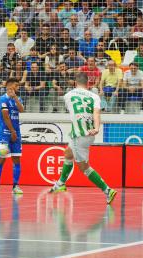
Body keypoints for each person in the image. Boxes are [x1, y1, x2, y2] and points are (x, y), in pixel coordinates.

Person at [49, 72, 117, 204]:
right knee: (68, 153)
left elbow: (64, 101)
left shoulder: (69, 95)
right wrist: (97, 128)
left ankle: (107, 190)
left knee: (84, 167)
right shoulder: (94, 96)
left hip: (79, 135)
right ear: (88, 84)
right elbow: (97, 113)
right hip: (90, 133)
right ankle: (61, 183)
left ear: (75, 83)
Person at [0, 77, 24, 195]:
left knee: (16, 159)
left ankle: (15, 186)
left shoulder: (17, 98)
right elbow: (6, 117)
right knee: (2, 159)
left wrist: (15, 97)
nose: (18, 87)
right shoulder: (2, 99)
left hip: (16, 133)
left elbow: (22, 110)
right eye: (16, 85)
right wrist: (12, 132)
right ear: (10, 87)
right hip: (5, 133)